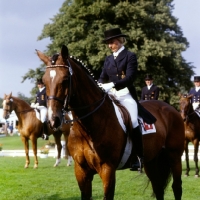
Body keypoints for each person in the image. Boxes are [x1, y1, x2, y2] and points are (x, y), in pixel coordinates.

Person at [98, 27, 147, 171]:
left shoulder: (130, 56)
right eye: (108, 43)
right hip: (111, 95)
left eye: (112, 42)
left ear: (119, 41)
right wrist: (100, 85)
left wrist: (112, 84)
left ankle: (139, 157)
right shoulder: (108, 59)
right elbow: (102, 76)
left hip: (125, 94)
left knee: (132, 121)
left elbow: (130, 77)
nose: (109, 45)